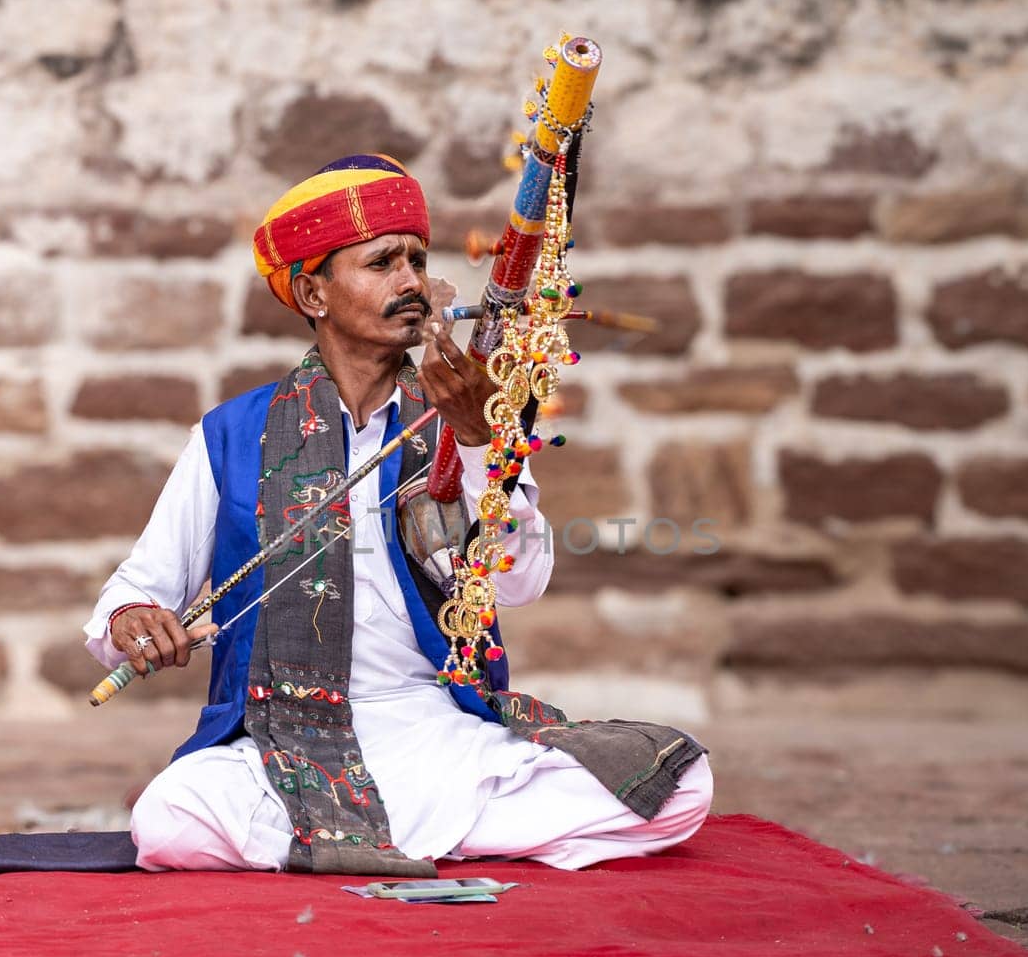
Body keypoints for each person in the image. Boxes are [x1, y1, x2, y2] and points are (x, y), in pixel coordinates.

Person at [84, 154, 711, 876]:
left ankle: (347, 844)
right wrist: (135, 620)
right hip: (283, 739)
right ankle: (415, 840)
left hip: (436, 731)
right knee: (169, 818)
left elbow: (520, 584)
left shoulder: (468, 412)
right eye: (381, 262)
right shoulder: (233, 435)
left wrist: (478, 442)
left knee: (680, 783)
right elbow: (129, 598)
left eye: (417, 259)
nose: (411, 281)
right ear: (314, 292)